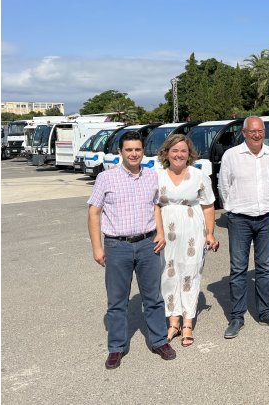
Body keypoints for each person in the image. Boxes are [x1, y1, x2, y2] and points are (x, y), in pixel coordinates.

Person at [87, 131, 176, 370]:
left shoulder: (151, 177)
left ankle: (158, 340)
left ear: (142, 151)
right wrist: (97, 247)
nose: (134, 154)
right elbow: (94, 212)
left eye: (137, 149)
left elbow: (156, 205)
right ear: (120, 152)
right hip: (117, 246)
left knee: (154, 298)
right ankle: (116, 347)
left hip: (148, 244)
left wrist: (160, 232)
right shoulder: (106, 178)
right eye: (129, 150)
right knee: (117, 301)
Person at [218, 116, 269, 339]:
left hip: (265, 217)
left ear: (264, 132)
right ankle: (237, 316)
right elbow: (224, 186)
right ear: (244, 133)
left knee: (264, 268)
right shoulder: (232, 155)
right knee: (238, 269)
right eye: (252, 131)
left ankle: (265, 312)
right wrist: (233, 208)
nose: (257, 135)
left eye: (260, 131)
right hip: (240, 218)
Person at [157, 134, 219, 347]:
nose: (179, 154)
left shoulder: (199, 175)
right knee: (167, 274)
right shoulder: (157, 176)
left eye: (183, 150)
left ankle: (187, 323)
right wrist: (157, 232)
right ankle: (173, 321)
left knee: (190, 274)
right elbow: (154, 206)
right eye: (174, 150)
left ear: (189, 153)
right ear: (166, 153)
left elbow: (209, 205)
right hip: (166, 233)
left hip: (193, 231)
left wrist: (210, 233)